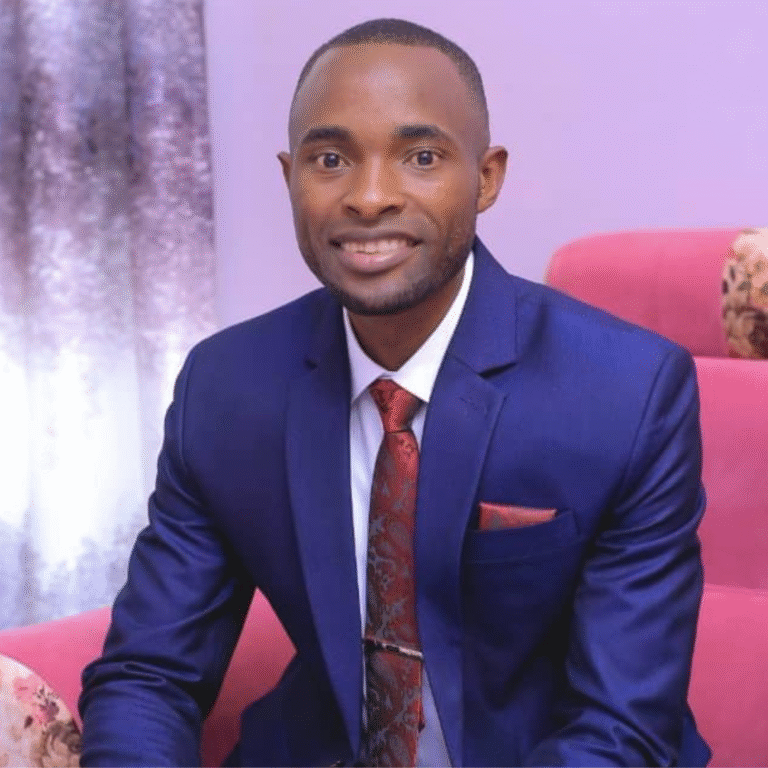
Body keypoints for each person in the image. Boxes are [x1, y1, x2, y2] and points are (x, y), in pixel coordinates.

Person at [79, 18, 711, 767]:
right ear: (290, 177)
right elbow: (149, 675)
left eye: (421, 157)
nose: (370, 197)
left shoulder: (628, 392)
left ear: (487, 177)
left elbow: (620, 727)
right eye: (330, 159)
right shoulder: (227, 387)